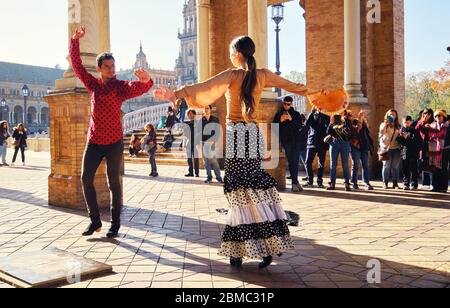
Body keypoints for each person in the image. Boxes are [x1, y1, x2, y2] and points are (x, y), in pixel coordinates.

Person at [154, 36, 322, 269]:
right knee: (254, 190)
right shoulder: (262, 74)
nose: (230, 55)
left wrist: (176, 94)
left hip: (236, 135)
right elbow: (290, 85)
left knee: (239, 194)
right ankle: (264, 246)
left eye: (232, 51)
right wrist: (314, 93)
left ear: (238, 55)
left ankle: (241, 250)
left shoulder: (232, 75)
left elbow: (205, 87)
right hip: (252, 134)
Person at [71, 26, 153, 238]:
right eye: (106, 66)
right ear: (99, 69)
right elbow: (77, 66)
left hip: (114, 142)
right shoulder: (93, 85)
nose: (111, 69)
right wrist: (75, 40)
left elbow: (143, 87)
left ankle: (115, 224)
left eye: (113, 66)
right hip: (94, 142)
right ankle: (95, 221)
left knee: (113, 183)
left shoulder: (120, 86)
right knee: (85, 179)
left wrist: (147, 79)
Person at [273, 96, 303, 192]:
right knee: (291, 162)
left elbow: (299, 126)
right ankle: (294, 183)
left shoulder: (296, 114)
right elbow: (274, 127)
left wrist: (291, 119)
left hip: (296, 141)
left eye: (288, 104)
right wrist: (280, 121)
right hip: (287, 142)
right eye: (285, 104)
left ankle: (296, 182)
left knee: (295, 162)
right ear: (283, 103)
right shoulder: (279, 114)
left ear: (291, 104)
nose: (286, 106)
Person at [416, 110, 449, 193]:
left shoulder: (448, 126)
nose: (438, 118)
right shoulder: (431, 126)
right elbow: (419, 129)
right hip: (434, 150)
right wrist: (422, 122)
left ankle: (443, 187)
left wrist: (444, 145)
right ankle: (435, 186)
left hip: (445, 150)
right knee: (435, 168)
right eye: (436, 116)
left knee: (444, 169)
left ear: (443, 117)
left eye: (440, 116)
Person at [326, 111, 354, 191]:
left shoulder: (347, 121)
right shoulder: (333, 120)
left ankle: (346, 184)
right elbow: (328, 132)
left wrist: (344, 122)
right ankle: (332, 183)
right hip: (334, 143)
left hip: (344, 143)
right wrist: (331, 123)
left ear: (344, 114)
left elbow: (350, 132)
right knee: (333, 164)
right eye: (338, 113)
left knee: (345, 164)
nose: (339, 115)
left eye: (342, 113)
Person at [303, 109, 330, 189]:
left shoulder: (326, 115)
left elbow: (327, 126)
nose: (318, 108)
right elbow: (306, 124)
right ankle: (310, 181)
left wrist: (322, 113)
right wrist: (311, 113)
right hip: (311, 142)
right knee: (308, 162)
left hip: (322, 143)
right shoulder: (312, 115)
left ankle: (319, 182)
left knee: (321, 163)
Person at [350, 111, 375, 191]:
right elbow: (357, 128)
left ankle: (366, 183)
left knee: (365, 166)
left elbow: (367, 133)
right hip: (355, 147)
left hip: (364, 148)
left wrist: (363, 120)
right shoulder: (353, 123)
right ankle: (354, 182)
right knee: (356, 165)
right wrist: (360, 118)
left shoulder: (364, 126)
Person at [379, 109, 401, 190]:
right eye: (390, 114)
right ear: (387, 115)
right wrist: (386, 124)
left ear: (396, 116)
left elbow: (401, 135)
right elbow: (381, 132)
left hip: (396, 148)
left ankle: (395, 183)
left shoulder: (398, 125)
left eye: (394, 115)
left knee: (395, 166)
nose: (392, 116)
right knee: (386, 166)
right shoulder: (383, 124)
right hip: (386, 148)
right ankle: (385, 183)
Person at [397, 116, 421, 190]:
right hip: (404, 153)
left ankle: (414, 184)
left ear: (411, 122)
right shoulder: (402, 130)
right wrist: (401, 136)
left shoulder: (415, 130)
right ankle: (406, 183)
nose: (406, 124)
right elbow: (399, 141)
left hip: (413, 153)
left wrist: (407, 137)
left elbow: (415, 143)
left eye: (408, 122)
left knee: (414, 170)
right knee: (405, 169)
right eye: (404, 123)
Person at [200, 105, 223, 184]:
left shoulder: (215, 119)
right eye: (205, 108)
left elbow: (217, 131)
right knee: (206, 162)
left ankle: (219, 177)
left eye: (207, 108)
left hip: (211, 143)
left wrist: (214, 140)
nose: (206, 110)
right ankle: (209, 177)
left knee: (214, 161)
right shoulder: (201, 120)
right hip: (203, 143)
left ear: (210, 110)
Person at [417, 109, 434, 190]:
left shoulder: (433, 123)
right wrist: (423, 122)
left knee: (432, 164)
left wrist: (430, 127)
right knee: (424, 164)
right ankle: (425, 184)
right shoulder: (420, 122)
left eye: (428, 114)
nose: (426, 115)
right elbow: (416, 129)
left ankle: (433, 183)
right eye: (425, 113)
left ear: (431, 115)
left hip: (432, 147)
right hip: (423, 147)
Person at [183, 109, 200, 177]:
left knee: (196, 159)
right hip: (188, 144)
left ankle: (196, 172)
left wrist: (198, 143)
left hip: (195, 143)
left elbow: (199, 133)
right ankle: (190, 172)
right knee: (189, 159)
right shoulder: (187, 123)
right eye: (189, 114)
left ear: (194, 114)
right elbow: (185, 134)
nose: (190, 115)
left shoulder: (197, 123)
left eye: (191, 114)